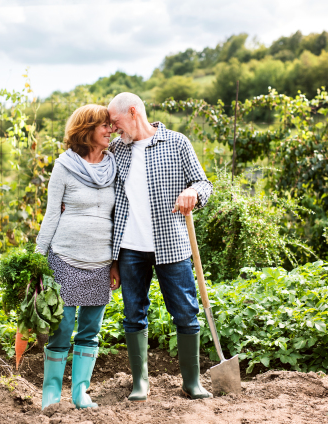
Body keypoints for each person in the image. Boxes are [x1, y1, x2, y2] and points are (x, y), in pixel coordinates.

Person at [107, 92, 213, 401]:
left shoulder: (177, 143)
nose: (114, 129)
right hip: (129, 249)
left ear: (133, 112)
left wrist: (193, 191)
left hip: (172, 246)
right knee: (133, 314)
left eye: (116, 122)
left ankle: (191, 383)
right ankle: (140, 383)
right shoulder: (116, 150)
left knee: (186, 313)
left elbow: (204, 183)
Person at [36, 104, 120, 410]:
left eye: (111, 126)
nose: (110, 130)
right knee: (62, 326)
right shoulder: (64, 166)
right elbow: (50, 215)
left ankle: (81, 392)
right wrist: (38, 259)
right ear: (87, 130)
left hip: (100, 261)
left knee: (90, 330)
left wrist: (116, 261)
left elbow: (120, 214)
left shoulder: (114, 164)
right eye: (104, 126)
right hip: (65, 257)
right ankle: (51, 392)